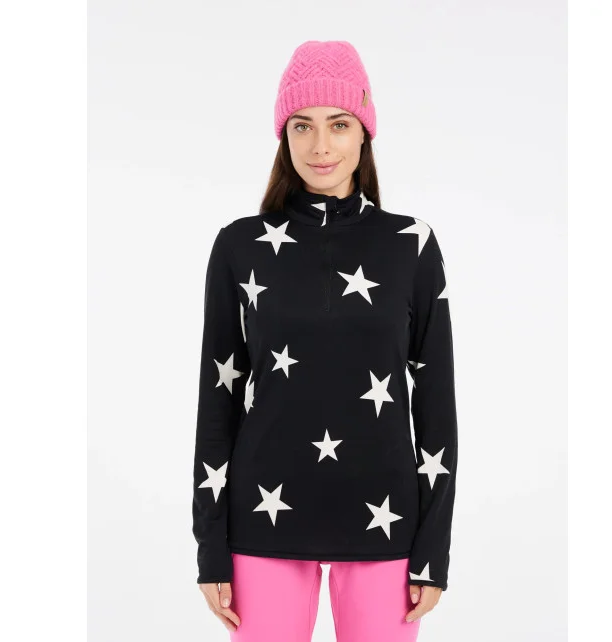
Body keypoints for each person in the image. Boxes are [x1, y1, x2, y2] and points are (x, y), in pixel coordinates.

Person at [192, 40, 459, 642]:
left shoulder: (411, 246)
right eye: (302, 125)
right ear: (283, 135)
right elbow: (218, 400)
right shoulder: (238, 246)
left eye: (339, 124)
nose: (320, 145)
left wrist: (433, 548)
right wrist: (210, 544)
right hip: (262, 518)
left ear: (364, 132)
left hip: (385, 516)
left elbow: (436, 405)